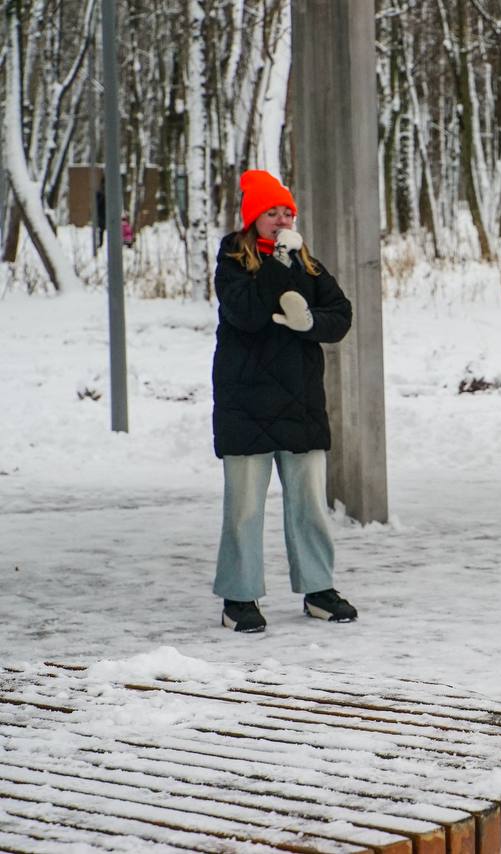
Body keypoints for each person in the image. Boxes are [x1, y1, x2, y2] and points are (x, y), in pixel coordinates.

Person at [210, 169, 357, 632]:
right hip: (246, 404)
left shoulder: (307, 264)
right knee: (245, 508)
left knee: (309, 504)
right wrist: (276, 262)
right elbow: (248, 314)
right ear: (253, 218)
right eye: (271, 212)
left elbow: (341, 315)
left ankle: (319, 589)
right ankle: (239, 597)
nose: (281, 218)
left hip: (300, 404)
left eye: (286, 211)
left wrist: (308, 322)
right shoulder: (232, 260)